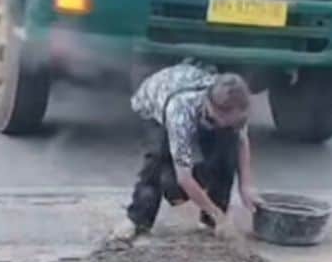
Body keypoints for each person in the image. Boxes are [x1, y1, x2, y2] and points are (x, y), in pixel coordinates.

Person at [111, 61, 259, 242]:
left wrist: (246, 186)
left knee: (225, 151)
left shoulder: (236, 105)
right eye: (228, 122)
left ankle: (211, 222)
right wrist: (219, 216)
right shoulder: (180, 112)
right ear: (214, 110)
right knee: (157, 161)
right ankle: (137, 219)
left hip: (195, 100)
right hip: (155, 100)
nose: (234, 125)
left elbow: (241, 140)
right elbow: (184, 178)